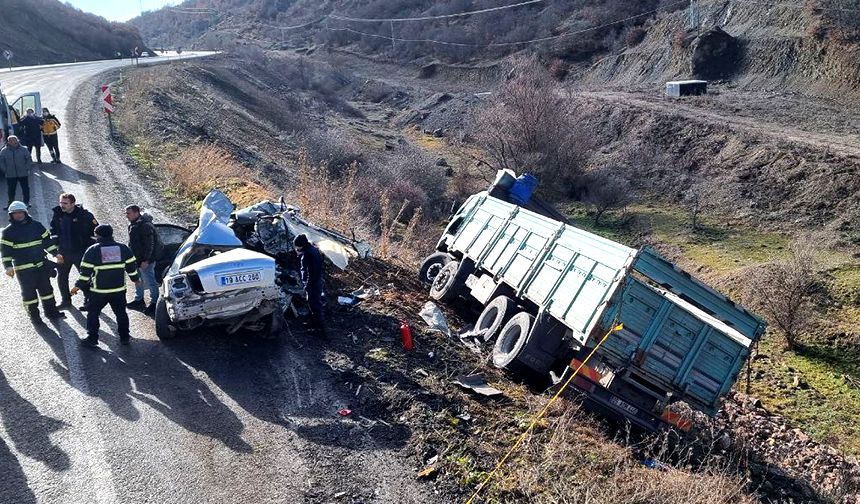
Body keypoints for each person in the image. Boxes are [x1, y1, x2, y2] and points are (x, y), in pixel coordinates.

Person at [71, 225, 139, 347]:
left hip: (99, 291)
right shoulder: (123, 248)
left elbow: (85, 272)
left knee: (93, 313)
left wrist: (77, 286)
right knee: (121, 313)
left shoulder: (92, 250)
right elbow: (131, 266)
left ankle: (92, 338)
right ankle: (124, 337)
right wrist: (135, 279)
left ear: (98, 235)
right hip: (118, 290)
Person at [1, 201, 66, 325]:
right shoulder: (8, 232)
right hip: (24, 269)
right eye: (15, 213)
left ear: (25, 212)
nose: (18, 215)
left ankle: (51, 312)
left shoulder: (37, 226)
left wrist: (55, 253)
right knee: (29, 295)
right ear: (11, 215)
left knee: (47, 291)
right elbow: (5, 252)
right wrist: (8, 267)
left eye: (20, 212)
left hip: (41, 265)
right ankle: (35, 316)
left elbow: (47, 242)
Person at [50, 193, 98, 310]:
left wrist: (90, 248)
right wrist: (56, 246)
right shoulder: (58, 214)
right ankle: (66, 301)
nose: (62, 205)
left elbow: (96, 232)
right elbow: (53, 230)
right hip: (63, 252)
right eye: (61, 203)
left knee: (85, 277)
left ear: (73, 203)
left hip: (80, 252)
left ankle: (89, 300)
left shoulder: (85, 216)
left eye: (65, 203)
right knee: (61, 277)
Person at [125, 205, 163, 314]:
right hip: (137, 259)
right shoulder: (134, 224)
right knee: (138, 279)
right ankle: (139, 300)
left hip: (145, 260)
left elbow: (149, 245)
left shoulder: (145, 226)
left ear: (136, 213)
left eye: (128, 213)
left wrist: (146, 260)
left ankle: (155, 303)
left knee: (151, 282)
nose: (127, 216)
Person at [294, 234, 325, 336]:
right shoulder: (314, 250)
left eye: (297, 246)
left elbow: (309, 272)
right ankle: (313, 323)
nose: (296, 248)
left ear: (301, 245)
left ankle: (319, 328)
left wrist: (307, 285)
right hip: (317, 281)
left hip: (312, 284)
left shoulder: (307, 255)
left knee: (315, 305)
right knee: (314, 304)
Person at [0, 135, 32, 208]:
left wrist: (27, 168)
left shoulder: (24, 149)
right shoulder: (4, 151)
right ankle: (10, 204)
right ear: (8, 142)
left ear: (18, 140)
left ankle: (26, 202)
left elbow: (28, 159)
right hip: (10, 174)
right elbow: (1, 162)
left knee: (25, 189)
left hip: (23, 173)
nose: (13, 142)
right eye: (11, 141)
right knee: (11, 190)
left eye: (15, 140)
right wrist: (5, 170)